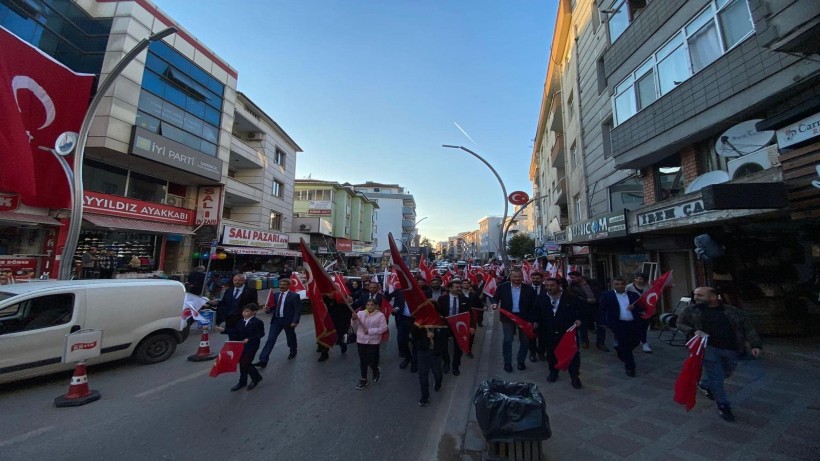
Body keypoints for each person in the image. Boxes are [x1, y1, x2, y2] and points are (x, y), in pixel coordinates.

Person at [677, 286, 763, 422]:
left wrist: (755, 345)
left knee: (726, 372)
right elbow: (680, 323)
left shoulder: (732, 311)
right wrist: (693, 331)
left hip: (732, 349)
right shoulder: (691, 310)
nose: (696, 298)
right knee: (717, 378)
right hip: (708, 349)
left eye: (700, 295)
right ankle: (723, 405)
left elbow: (747, 327)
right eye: (695, 295)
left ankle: (704, 383)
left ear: (713, 297)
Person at [539, 277, 583, 388]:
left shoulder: (570, 298)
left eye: (552, 285)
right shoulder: (541, 298)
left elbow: (580, 311)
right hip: (549, 331)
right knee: (551, 354)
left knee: (573, 355)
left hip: (567, 332)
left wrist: (579, 319)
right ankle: (553, 372)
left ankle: (574, 376)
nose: (549, 288)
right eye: (547, 286)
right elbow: (536, 313)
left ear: (558, 285)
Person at [493, 268, 536, 373]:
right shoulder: (502, 287)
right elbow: (495, 298)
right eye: (515, 276)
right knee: (507, 340)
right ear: (510, 277)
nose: (517, 278)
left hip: (524, 319)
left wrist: (532, 320)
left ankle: (521, 362)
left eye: (519, 276)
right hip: (508, 317)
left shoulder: (529, 289)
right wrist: (494, 303)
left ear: (522, 277)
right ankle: (507, 363)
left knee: (524, 341)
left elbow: (534, 306)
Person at [600, 276, 642, 377]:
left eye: (622, 284)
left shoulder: (633, 295)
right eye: (617, 284)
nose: (620, 286)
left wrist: (635, 307)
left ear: (625, 284)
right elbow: (602, 309)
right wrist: (602, 322)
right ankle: (630, 367)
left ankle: (619, 349)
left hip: (633, 323)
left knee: (636, 341)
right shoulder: (607, 295)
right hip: (618, 324)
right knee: (626, 345)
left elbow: (641, 306)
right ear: (613, 285)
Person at [217, 303, 265, 391]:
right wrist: (224, 330)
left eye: (247, 311)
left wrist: (249, 339)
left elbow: (261, 334)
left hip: (252, 345)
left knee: (245, 362)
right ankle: (243, 381)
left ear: (254, 312)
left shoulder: (257, 322)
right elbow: (236, 332)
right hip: (241, 344)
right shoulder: (241, 321)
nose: (244, 313)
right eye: (243, 311)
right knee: (242, 363)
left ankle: (255, 378)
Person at [255, 277, 300, 367]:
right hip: (276, 320)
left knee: (290, 337)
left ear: (289, 285)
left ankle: (293, 350)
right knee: (270, 339)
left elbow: (297, 310)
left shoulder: (294, 296)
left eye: (284, 285)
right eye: (280, 285)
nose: (281, 286)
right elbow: (272, 308)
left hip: (288, 321)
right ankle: (263, 359)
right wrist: (267, 309)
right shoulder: (275, 295)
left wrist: (295, 321)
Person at [351, 299, 388, 389]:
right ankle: (364, 379)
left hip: (374, 341)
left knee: (372, 359)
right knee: (363, 360)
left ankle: (375, 370)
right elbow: (354, 326)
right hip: (361, 340)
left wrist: (370, 331)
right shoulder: (360, 313)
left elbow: (383, 328)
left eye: (372, 305)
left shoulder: (380, 315)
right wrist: (354, 319)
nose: (369, 306)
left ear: (376, 306)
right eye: (368, 305)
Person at [438, 280, 472, 376]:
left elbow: (470, 314)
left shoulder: (465, 299)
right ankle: (446, 362)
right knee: (443, 346)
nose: (459, 289)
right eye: (456, 287)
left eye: (459, 287)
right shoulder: (442, 299)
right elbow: (438, 312)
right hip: (445, 326)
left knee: (458, 348)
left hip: (459, 326)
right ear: (450, 288)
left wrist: (472, 326)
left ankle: (455, 366)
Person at [411, 319, 448, 407]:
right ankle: (425, 397)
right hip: (423, 351)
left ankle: (438, 383)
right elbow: (414, 335)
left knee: (437, 372)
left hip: (436, 352)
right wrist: (422, 332)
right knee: (423, 375)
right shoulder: (419, 320)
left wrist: (434, 336)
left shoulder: (440, 319)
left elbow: (447, 334)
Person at [212, 274, 258, 341]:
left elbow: (254, 305)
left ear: (244, 281)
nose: (237, 282)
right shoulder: (229, 291)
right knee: (232, 338)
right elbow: (223, 304)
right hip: (230, 319)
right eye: (235, 280)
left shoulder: (251, 291)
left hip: (242, 319)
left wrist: (250, 318)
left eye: (240, 280)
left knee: (242, 338)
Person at [568, 271, 603, 350]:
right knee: (583, 326)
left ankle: (600, 343)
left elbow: (600, 291)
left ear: (579, 276)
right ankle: (585, 341)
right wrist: (585, 301)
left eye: (573, 278)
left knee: (600, 325)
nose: (572, 280)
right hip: (583, 308)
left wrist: (597, 299)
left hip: (596, 307)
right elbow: (573, 297)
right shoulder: (573, 287)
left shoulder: (593, 283)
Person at [319, 288, 352, 362]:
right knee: (326, 337)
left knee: (342, 337)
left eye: (332, 292)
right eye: (329, 292)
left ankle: (343, 345)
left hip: (341, 323)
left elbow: (348, 312)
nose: (330, 294)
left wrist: (347, 322)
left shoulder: (341, 300)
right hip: (328, 322)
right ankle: (324, 353)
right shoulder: (324, 300)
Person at [626, 272, 652, 353]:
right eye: (637, 278)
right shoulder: (629, 287)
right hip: (634, 310)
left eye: (640, 279)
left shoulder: (649, 287)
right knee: (637, 327)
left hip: (646, 310)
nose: (638, 280)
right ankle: (641, 341)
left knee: (644, 327)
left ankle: (643, 341)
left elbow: (653, 297)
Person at [529, 271, 548, 362]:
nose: (535, 280)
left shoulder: (547, 288)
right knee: (531, 337)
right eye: (533, 278)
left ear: (541, 279)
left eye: (537, 278)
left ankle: (541, 353)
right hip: (530, 318)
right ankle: (532, 353)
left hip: (544, 318)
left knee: (543, 337)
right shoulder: (526, 289)